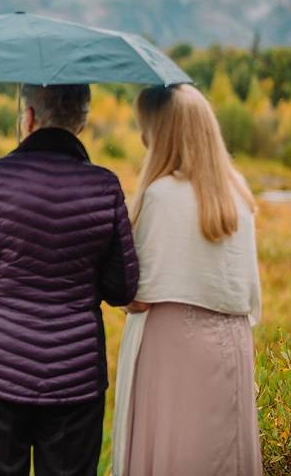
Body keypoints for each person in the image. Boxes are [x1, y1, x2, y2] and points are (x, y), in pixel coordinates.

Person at [0, 84, 139, 476]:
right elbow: (122, 288)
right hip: (77, 375)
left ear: (28, 117)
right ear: (81, 120)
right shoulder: (106, 185)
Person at [112, 84, 262, 476]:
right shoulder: (238, 196)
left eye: (148, 128)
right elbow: (244, 289)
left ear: (163, 133)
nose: (144, 137)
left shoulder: (160, 196)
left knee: (172, 450)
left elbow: (136, 293)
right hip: (233, 342)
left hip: (171, 345)